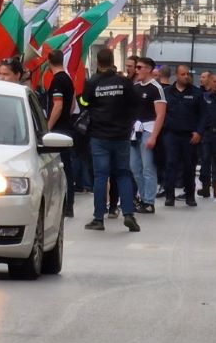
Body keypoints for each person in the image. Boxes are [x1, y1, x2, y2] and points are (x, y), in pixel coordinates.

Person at [80, 48, 141, 232]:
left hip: (99, 135)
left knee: (101, 176)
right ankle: (129, 214)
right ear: (113, 60)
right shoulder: (124, 82)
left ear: (98, 63)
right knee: (123, 174)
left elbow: (83, 102)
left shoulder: (93, 82)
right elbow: (134, 105)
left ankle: (98, 219)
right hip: (121, 135)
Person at [129, 56, 166, 213]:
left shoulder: (155, 88)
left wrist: (153, 136)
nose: (137, 71)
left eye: (140, 67)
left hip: (148, 129)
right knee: (134, 166)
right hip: (135, 130)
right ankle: (142, 197)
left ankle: (149, 201)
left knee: (148, 168)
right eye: (136, 68)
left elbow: (160, 114)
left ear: (149, 69)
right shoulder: (136, 87)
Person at [44, 48, 77, 219]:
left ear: (49, 61)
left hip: (58, 130)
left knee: (59, 168)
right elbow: (71, 105)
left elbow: (58, 105)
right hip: (67, 127)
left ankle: (64, 205)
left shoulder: (57, 80)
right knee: (67, 169)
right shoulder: (68, 80)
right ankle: (69, 204)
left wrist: (48, 127)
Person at [162, 64, 202, 207]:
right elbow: (161, 112)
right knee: (170, 164)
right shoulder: (167, 92)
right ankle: (169, 196)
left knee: (189, 166)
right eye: (183, 74)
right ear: (176, 75)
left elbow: (203, 115)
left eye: (187, 74)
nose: (186, 77)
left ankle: (190, 195)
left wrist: (199, 132)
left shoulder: (196, 93)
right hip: (171, 135)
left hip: (189, 136)